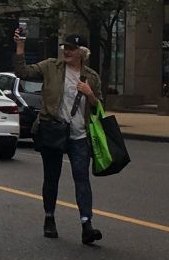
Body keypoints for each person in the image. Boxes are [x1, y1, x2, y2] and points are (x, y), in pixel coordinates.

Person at [13, 31, 103, 244]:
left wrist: (90, 94)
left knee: (82, 179)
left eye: (71, 48)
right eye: (65, 48)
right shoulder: (51, 67)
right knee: (51, 177)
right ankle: (49, 218)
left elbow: (98, 107)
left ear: (82, 52)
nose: (67, 51)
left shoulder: (92, 77)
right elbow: (22, 72)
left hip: (79, 135)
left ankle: (86, 225)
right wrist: (20, 46)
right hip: (53, 130)